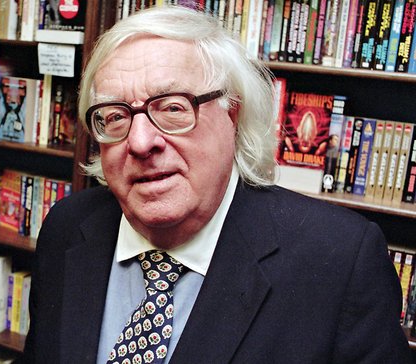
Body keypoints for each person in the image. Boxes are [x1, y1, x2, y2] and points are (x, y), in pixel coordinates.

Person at [23, 5, 411, 363]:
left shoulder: (338, 260)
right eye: (115, 117)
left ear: (233, 116)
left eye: (173, 107)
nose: (140, 142)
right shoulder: (66, 228)